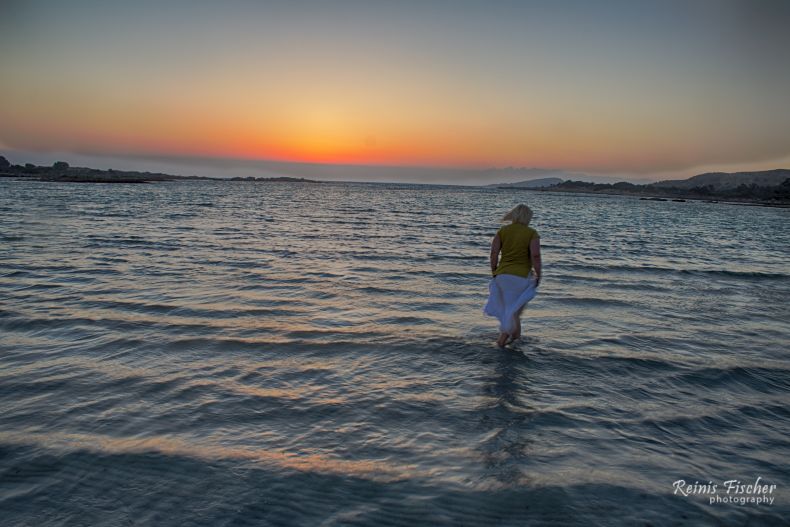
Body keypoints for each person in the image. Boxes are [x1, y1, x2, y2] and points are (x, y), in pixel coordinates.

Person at [483, 204, 542, 347]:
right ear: (528, 217)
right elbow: (535, 255)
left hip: (502, 276)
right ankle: (502, 342)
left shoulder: (502, 231)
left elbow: (493, 254)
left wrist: (494, 271)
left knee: (512, 311)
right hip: (521, 278)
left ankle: (515, 340)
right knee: (514, 312)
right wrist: (539, 275)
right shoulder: (531, 233)